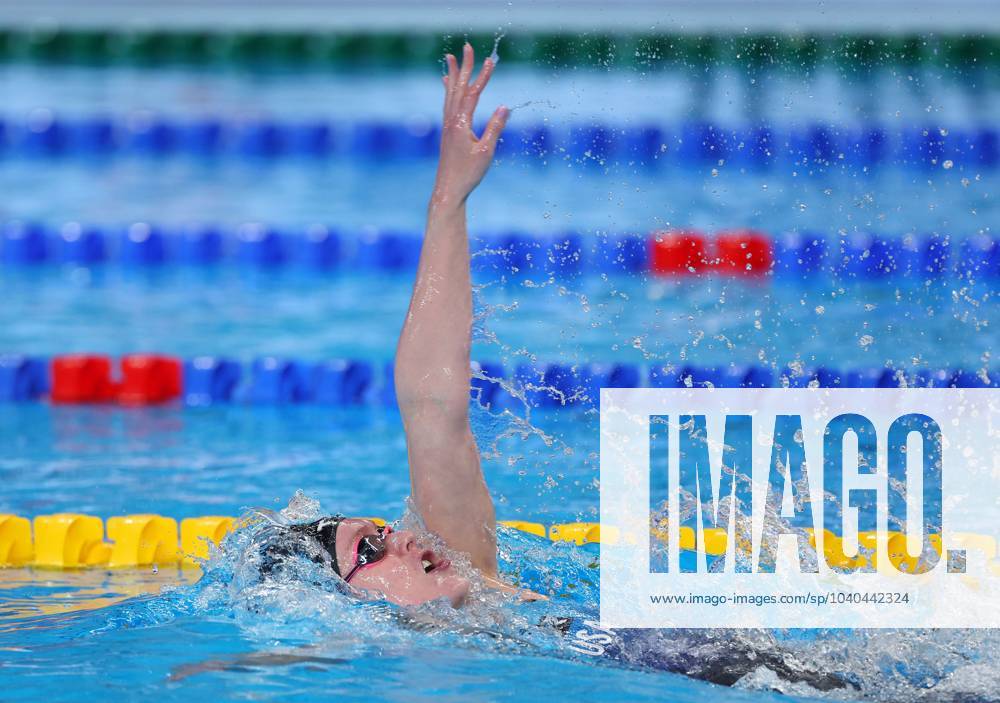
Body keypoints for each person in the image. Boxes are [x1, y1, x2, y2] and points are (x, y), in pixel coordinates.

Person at [257, 43, 854, 693]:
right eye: (368, 552)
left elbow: (432, 403)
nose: (400, 538)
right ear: (338, 604)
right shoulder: (422, 648)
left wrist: (449, 195)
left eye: (382, 531)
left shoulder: (475, 574)